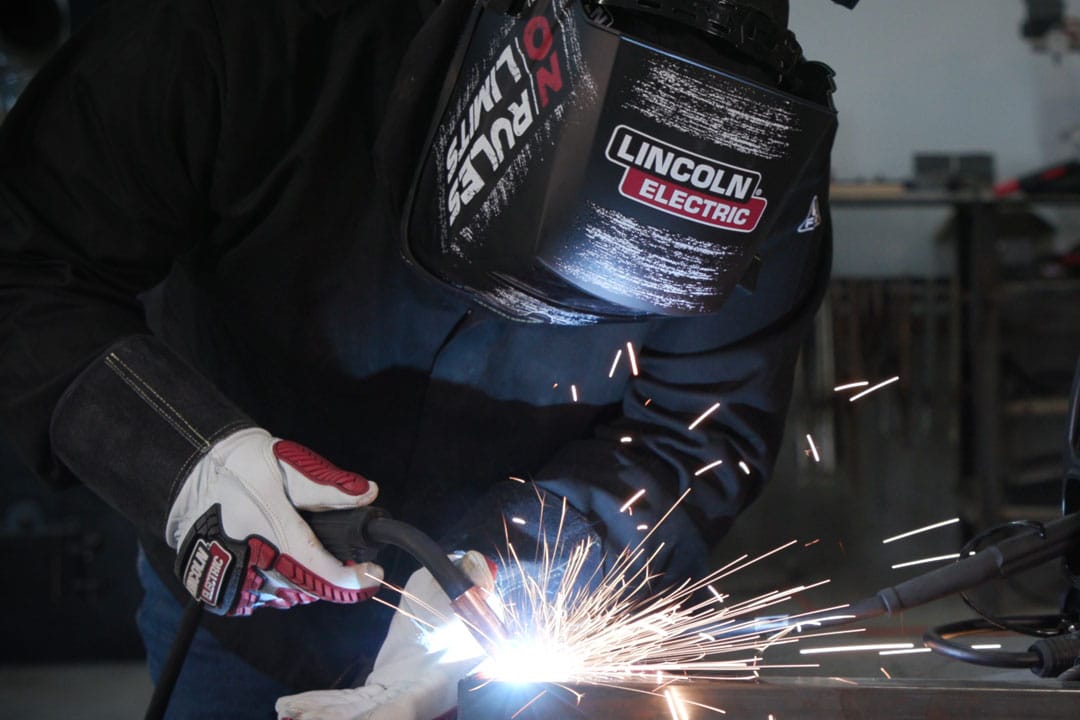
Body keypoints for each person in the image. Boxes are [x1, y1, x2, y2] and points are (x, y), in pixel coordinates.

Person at [0, 0, 857, 718]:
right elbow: (25, 262)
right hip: (247, 608)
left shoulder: (763, 186)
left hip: (508, 644)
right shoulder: (241, 31)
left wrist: (507, 572)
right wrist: (180, 456)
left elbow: (696, 429)